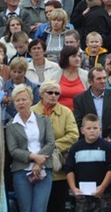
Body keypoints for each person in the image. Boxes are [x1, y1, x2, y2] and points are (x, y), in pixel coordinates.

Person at [6, 84, 55, 212]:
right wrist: (34, 157)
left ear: (31, 100)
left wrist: (39, 163)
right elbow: (13, 150)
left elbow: (50, 143)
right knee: (25, 209)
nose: (21, 103)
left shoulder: (44, 120)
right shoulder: (11, 125)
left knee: (39, 209)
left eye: (24, 99)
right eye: (17, 100)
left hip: (44, 169)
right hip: (21, 171)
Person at [31, 80, 79, 212]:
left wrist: (51, 146)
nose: (53, 95)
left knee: (57, 205)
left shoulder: (66, 112)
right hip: (35, 165)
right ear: (41, 94)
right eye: (50, 92)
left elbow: (74, 135)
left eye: (57, 93)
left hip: (58, 167)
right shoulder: (31, 111)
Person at [64, 113, 111, 212]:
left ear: (100, 129)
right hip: (82, 195)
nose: (92, 131)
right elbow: (69, 168)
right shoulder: (76, 147)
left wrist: (102, 187)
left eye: (95, 128)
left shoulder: (107, 147)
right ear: (82, 130)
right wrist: (73, 188)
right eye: (88, 128)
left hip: (102, 194)